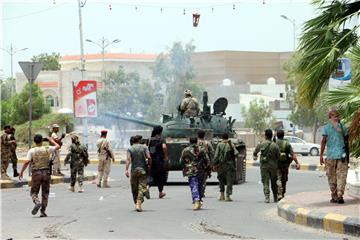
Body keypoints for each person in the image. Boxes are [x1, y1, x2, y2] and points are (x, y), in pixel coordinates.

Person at [19, 134, 60, 217]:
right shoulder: (47, 148)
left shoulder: (32, 150)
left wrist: (21, 171)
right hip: (46, 173)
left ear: (34, 141)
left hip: (36, 173)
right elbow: (58, 146)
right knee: (45, 193)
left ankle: (37, 202)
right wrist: (51, 140)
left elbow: (27, 162)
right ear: (42, 141)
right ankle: (43, 212)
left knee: (34, 192)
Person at [320, 110, 349, 204]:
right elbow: (324, 141)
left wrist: (321, 155)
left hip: (338, 155)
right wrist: (321, 155)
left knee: (335, 175)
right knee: (337, 175)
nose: (336, 118)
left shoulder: (339, 127)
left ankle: (338, 195)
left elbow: (346, 141)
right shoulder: (339, 127)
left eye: (337, 116)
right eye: (334, 116)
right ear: (330, 118)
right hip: (334, 155)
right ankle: (336, 195)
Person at [180, 137, 210, 210]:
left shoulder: (185, 150)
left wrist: (184, 167)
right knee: (200, 185)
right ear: (196, 141)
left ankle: (196, 200)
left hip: (191, 170)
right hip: (201, 170)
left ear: (190, 141)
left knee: (194, 185)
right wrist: (207, 168)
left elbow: (181, 161)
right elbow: (207, 160)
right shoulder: (201, 149)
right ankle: (199, 200)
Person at [125, 135, 152, 212]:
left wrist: (126, 170)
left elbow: (128, 160)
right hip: (142, 170)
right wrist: (150, 166)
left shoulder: (130, 148)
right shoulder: (144, 148)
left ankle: (136, 203)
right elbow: (149, 157)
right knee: (142, 187)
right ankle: (138, 203)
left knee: (134, 188)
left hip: (134, 171)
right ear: (140, 140)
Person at [253, 129, 280, 203]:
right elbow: (278, 156)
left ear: (265, 136)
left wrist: (255, 157)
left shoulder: (261, 144)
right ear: (271, 136)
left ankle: (267, 197)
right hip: (273, 167)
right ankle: (275, 197)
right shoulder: (275, 145)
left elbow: (255, 152)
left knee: (265, 182)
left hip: (264, 167)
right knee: (274, 182)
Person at [212, 133, 239, 201]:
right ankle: (228, 196)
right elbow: (236, 153)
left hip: (221, 165)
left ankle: (222, 195)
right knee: (229, 180)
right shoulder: (231, 144)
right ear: (228, 137)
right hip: (229, 165)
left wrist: (214, 164)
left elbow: (216, 156)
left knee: (221, 180)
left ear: (222, 138)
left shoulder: (219, 144)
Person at [275, 129, 300, 200]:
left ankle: (279, 193)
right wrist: (297, 163)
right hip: (285, 164)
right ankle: (282, 193)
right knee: (284, 179)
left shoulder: (274, 143)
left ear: (277, 135)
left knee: (278, 178)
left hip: (277, 164)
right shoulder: (287, 144)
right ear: (283, 135)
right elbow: (292, 155)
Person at [148, 125, 169, 199]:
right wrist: (166, 156)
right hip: (159, 160)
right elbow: (164, 147)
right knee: (160, 176)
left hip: (151, 160)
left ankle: (147, 187)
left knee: (151, 174)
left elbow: (148, 149)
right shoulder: (161, 139)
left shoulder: (150, 139)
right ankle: (160, 192)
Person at [197, 130, 214, 198]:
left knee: (196, 177)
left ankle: (197, 191)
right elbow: (212, 152)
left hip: (196, 162)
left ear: (198, 135)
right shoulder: (207, 143)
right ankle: (202, 192)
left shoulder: (195, 142)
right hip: (205, 162)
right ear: (204, 135)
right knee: (204, 178)